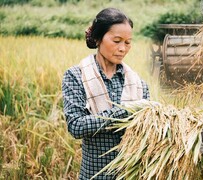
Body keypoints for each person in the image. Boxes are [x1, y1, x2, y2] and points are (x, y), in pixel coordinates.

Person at [62, 8, 151, 179]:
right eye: (117, 41)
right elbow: (76, 126)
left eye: (128, 42)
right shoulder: (76, 76)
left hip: (130, 174)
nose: (123, 48)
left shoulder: (138, 84)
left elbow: (149, 130)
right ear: (98, 38)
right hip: (94, 175)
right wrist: (123, 111)